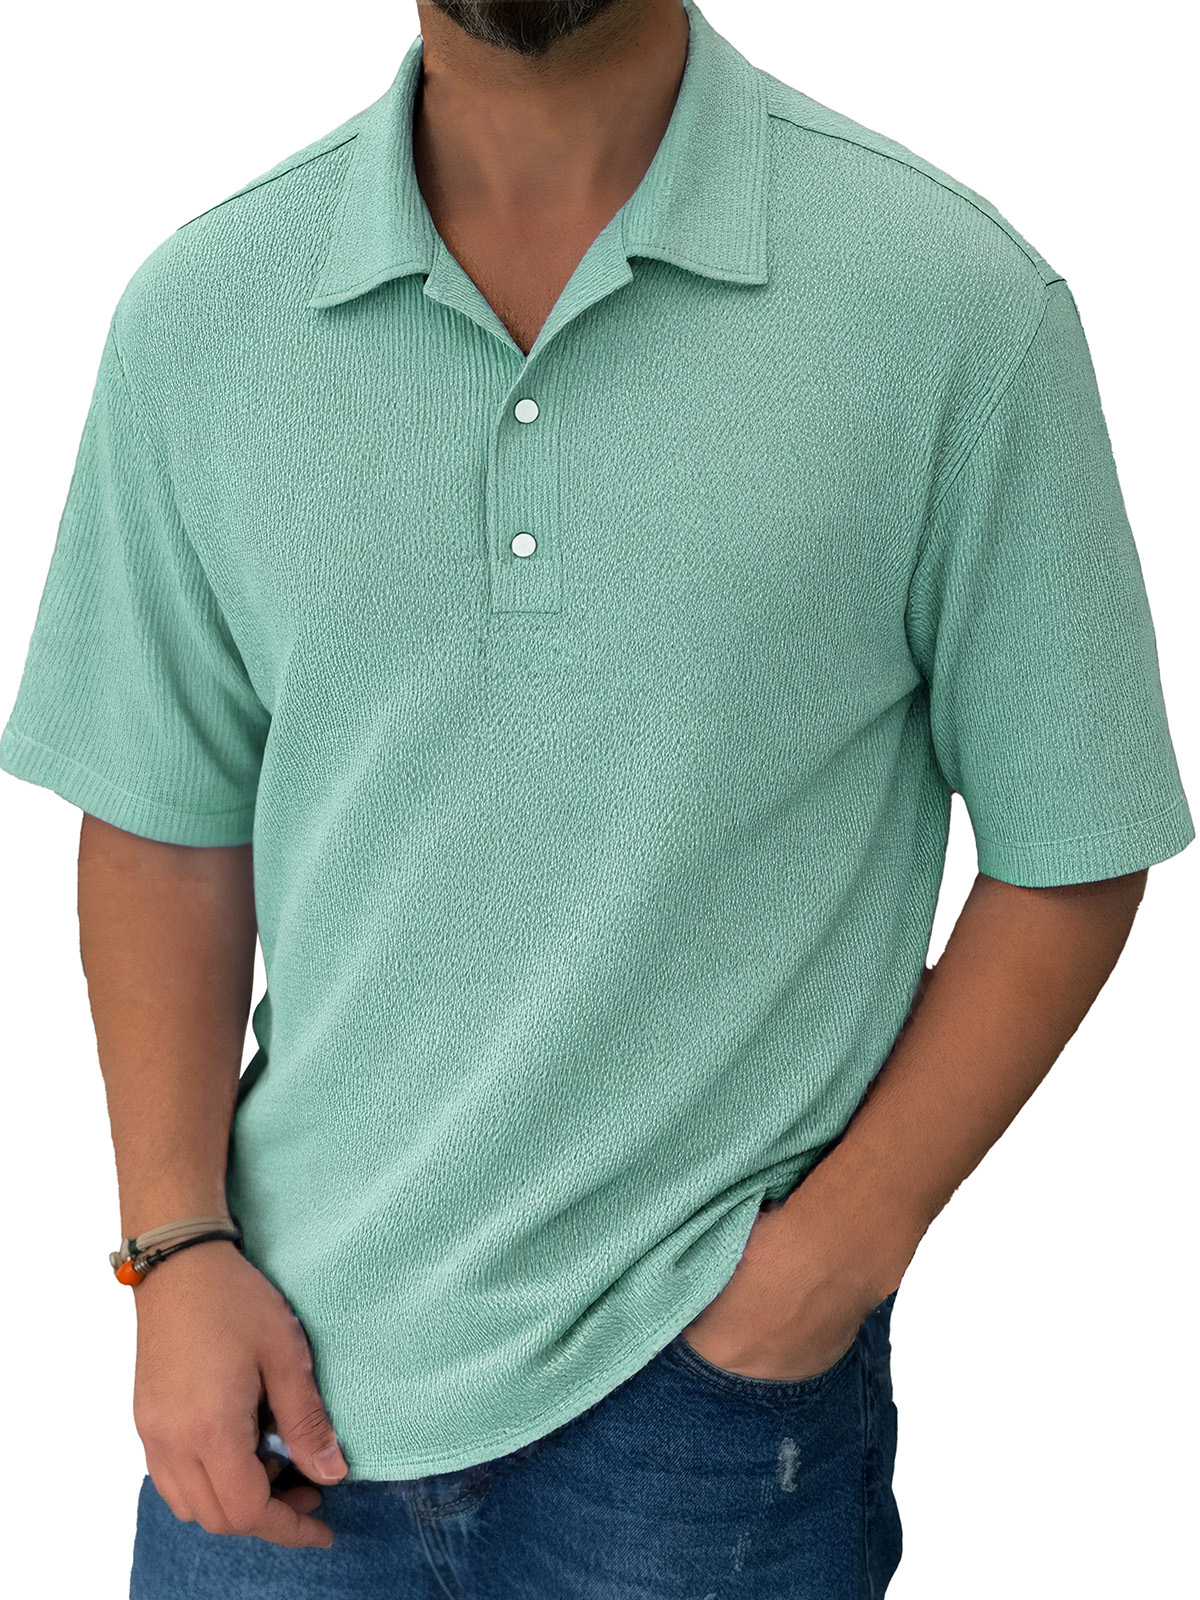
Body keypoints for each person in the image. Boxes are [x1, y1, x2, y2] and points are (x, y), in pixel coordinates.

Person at [1, 0, 1192, 1594]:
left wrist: (835, 1259)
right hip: (281, 1375)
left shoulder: (955, 304)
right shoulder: (203, 317)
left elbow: (1073, 845)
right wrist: (173, 1248)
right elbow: (162, 825)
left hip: (704, 1417)